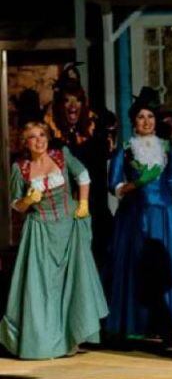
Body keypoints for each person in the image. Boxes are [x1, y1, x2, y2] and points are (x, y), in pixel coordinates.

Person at [0, 122, 108, 359]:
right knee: (42, 288)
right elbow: (16, 205)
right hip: (40, 232)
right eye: (32, 137)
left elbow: (83, 175)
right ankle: (42, 342)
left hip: (68, 228)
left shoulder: (61, 156)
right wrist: (29, 201)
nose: (39, 140)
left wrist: (83, 203)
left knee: (72, 284)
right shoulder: (21, 169)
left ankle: (70, 339)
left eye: (42, 135)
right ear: (25, 143)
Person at [106, 87, 172, 342]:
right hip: (135, 217)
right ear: (134, 121)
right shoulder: (125, 149)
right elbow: (115, 185)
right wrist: (137, 184)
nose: (146, 122)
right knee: (134, 267)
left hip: (165, 217)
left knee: (171, 266)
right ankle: (137, 323)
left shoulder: (167, 148)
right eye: (141, 117)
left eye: (150, 117)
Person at [44, 64, 114, 275]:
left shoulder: (97, 135)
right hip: (62, 215)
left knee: (96, 268)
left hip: (93, 214)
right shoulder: (53, 140)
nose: (72, 106)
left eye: (77, 100)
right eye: (67, 101)